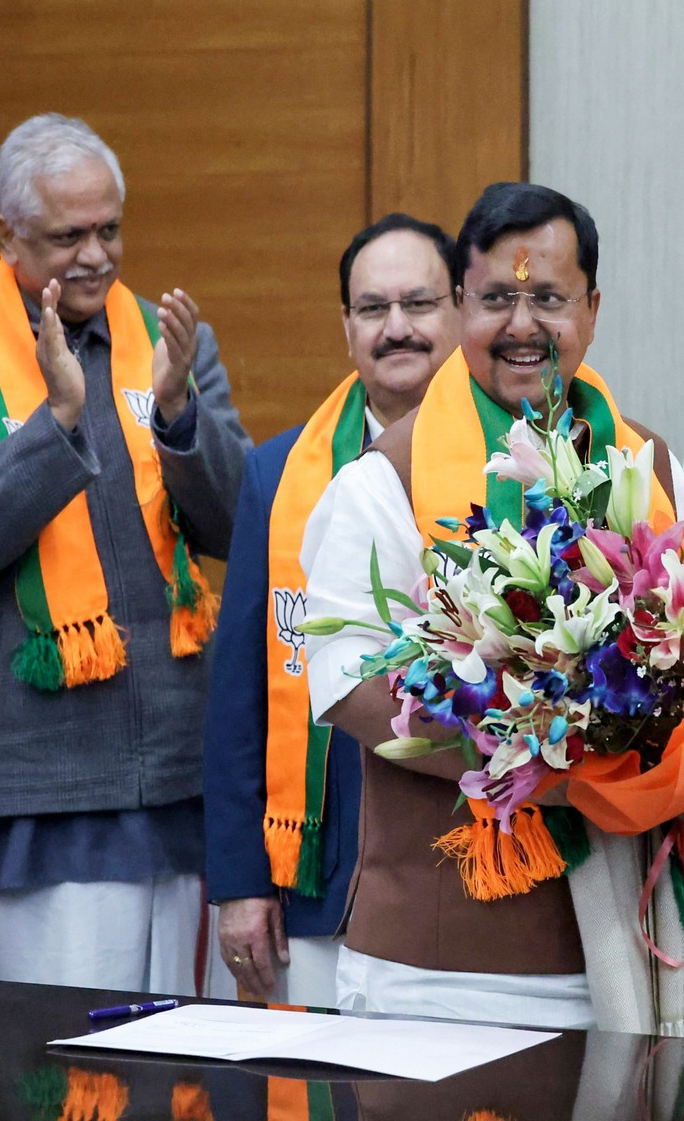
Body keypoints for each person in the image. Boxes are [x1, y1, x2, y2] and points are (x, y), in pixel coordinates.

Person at [300, 182, 684, 1033]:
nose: (522, 327)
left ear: (591, 310)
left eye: (549, 298)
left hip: (622, 946)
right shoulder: (382, 481)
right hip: (441, 959)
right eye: (496, 299)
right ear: (459, 308)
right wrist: (540, 760)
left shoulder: (649, 465)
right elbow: (344, 686)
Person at [0, 113, 251, 992]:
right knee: (58, 1081)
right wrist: (53, 424)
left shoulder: (173, 348)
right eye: (68, 236)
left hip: (179, 782)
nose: (96, 255)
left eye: (111, 229)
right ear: (6, 235)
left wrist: (177, 419)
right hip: (45, 801)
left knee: (185, 1081)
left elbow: (241, 528)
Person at [203, 213, 462, 1006]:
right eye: (372, 309)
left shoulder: (515, 461)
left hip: (465, 873)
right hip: (313, 880)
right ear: (346, 327)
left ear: (459, 311)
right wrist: (242, 883)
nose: (397, 329)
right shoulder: (280, 472)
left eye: (418, 305)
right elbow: (239, 693)